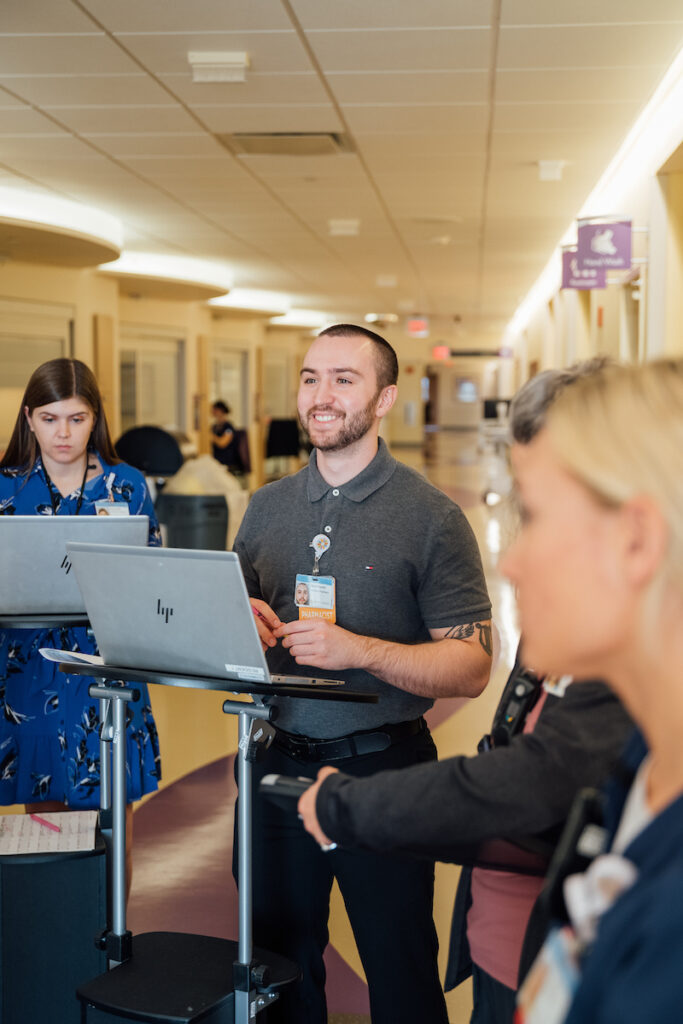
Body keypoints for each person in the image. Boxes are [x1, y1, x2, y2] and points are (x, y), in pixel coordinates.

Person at [297, 359, 632, 1024]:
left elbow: (536, 779)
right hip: (504, 940)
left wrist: (351, 808)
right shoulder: (567, 614)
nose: (513, 559)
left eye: (546, 511)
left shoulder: (630, 648)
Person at [234, 323, 493, 1024]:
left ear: (384, 399)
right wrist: (241, 633)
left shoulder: (432, 518)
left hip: (383, 769)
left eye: (343, 380)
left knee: (398, 963)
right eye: (311, 378)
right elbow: (238, 632)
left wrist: (361, 651)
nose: (321, 396)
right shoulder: (266, 507)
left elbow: (470, 666)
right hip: (274, 767)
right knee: (277, 968)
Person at [0, 358, 161, 873]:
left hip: (107, 672)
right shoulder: (5, 488)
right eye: (49, 419)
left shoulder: (127, 486)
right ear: (28, 418)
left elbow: (153, 575)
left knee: (113, 832)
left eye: (77, 418)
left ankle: (111, 949)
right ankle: (58, 945)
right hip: (27, 676)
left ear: (96, 419)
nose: (63, 433)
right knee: (44, 834)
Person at [210, 400, 238, 471]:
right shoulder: (214, 427)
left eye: (215, 409)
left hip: (227, 461)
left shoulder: (228, 427)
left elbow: (222, 443)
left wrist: (211, 436)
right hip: (216, 461)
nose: (213, 412)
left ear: (221, 410)